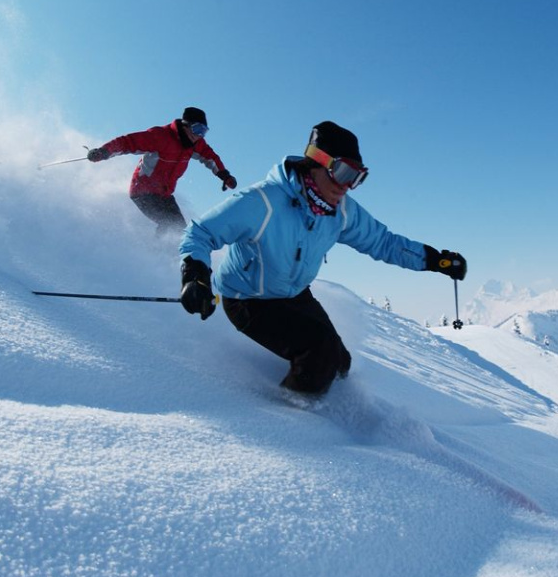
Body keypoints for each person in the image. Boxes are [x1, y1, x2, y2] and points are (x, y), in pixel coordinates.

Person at [178, 120, 467, 396]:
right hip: (247, 298)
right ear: (316, 162)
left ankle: (312, 400)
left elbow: (383, 242)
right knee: (320, 354)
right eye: (342, 173)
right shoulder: (262, 202)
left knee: (340, 363)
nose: (346, 186)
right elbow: (201, 232)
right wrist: (195, 275)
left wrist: (434, 260)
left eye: (356, 178)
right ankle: (292, 426)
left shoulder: (340, 212)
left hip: (294, 295)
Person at [87, 107, 237, 238]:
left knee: (181, 230)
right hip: (143, 192)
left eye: (204, 132)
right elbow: (128, 142)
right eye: (197, 129)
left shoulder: (195, 144)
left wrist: (224, 175)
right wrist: (104, 151)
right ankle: (157, 255)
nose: (200, 136)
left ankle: (167, 257)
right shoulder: (160, 136)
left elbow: (210, 157)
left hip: (164, 194)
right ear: (186, 125)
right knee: (173, 225)